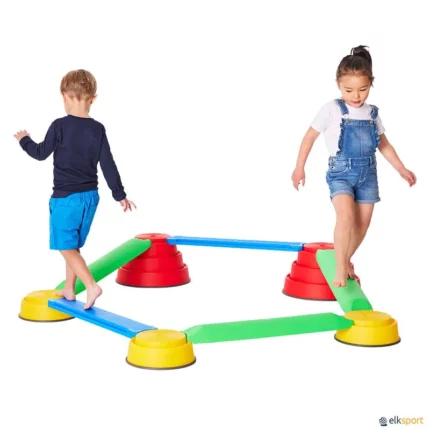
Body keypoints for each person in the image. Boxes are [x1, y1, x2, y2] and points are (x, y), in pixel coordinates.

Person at [291, 46, 416, 287]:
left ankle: (346, 258)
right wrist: (299, 167)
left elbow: (384, 144)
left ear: (371, 84)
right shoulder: (331, 109)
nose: (356, 96)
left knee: (363, 224)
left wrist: (401, 169)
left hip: (368, 174)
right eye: (349, 90)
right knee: (346, 216)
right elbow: (309, 137)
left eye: (363, 89)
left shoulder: (372, 114)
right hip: (341, 172)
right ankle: (340, 268)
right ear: (339, 84)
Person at [14, 69, 136, 308]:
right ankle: (69, 288)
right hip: (90, 198)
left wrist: (24, 140)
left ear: (64, 96)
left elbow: (40, 153)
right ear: (93, 99)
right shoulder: (98, 129)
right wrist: (119, 194)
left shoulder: (59, 126)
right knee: (73, 245)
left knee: (65, 246)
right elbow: (108, 163)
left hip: (66, 199)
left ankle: (91, 285)